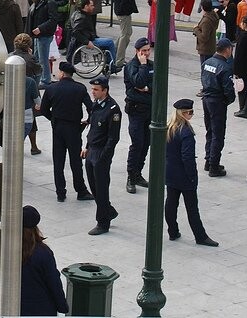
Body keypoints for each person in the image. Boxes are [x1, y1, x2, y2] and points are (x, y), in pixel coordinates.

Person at [165, 99, 219, 247]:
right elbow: (187, 157)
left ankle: (173, 231)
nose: (192, 115)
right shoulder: (186, 132)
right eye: (190, 112)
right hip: (184, 175)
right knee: (192, 208)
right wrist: (192, 176)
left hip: (170, 172)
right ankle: (200, 236)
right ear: (184, 113)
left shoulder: (169, 128)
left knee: (171, 203)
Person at [40, 62, 94, 202]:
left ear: (62, 73)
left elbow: (44, 109)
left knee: (58, 161)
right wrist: (88, 121)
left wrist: (53, 119)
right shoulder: (80, 88)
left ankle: (60, 192)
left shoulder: (51, 88)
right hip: (74, 128)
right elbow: (91, 108)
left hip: (58, 127)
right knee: (76, 161)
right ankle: (81, 190)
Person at [81, 77, 122, 236]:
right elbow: (92, 128)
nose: (93, 92)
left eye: (96, 90)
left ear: (105, 90)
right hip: (92, 150)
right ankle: (108, 210)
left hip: (101, 153)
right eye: (92, 89)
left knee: (102, 188)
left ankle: (103, 222)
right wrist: (87, 146)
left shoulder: (113, 109)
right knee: (93, 186)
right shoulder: (95, 106)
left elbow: (113, 138)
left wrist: (104, 157)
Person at [21, 205, 69, 316]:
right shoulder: (43, 253)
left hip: (16, 308)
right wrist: (62, 306)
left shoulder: (6, 248)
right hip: (41, 309)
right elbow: (53, 282)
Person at [201, 38, 236, 177]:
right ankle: (214, 166)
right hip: (217, 101)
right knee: (218, 134)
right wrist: (229, 100)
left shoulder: (207, 62)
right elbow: (228, 90)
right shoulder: (225, 67)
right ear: (227, 49)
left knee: (210, 130)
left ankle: (208, 160)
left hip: (207, 99)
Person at [124, 37, 154, 194]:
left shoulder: (152, 65)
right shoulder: (132, 66)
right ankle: (131, 176)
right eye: (144, 51)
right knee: (137, 143)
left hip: (149, 110)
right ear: (137, 51)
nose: (147, 53)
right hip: (136, 110)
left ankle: (138, 173)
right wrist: (142, 66)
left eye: (148, 50)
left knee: (146, 143)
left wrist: (147, 89)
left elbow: (156, 86)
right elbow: (139, 83)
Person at [11, 33, 43, 155]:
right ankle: (33, 146)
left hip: (13, 90)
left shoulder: (10, 56)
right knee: (31, 120)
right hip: (29, 89)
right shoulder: (31, 58)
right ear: (29, 45)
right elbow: (39, 70)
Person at [68, 0, 121, 74]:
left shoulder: (78, 14)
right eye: (91, 5)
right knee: (110, 42)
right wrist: (87, 42)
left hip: (88, 38)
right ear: (86, 6)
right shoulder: (82, 18)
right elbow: (75, 32)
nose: (93, 7)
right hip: (88, 41)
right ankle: (112, 67)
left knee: (107, 42)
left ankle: (108, 65)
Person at [26, 0, 58, 89]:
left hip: (44, 35)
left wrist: (40, 28)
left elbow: (53, 20)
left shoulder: (49, 3)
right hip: (38, 35)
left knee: (42, 59)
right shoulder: (39, 3)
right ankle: (40, 78)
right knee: (37, 57)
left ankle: (45, 80)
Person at [193, 0, 219, 97]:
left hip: (205, 48)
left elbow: (204, 37)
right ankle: (207, 87)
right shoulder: (213, 16)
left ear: (203, 7)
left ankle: (206, 88)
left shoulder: (206, 20)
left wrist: (196, 29)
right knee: (208, 69)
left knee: (205, 70)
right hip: (210, 47)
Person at [113, 0, 138, 69]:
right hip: (123, 10)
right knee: (125, 34)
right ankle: (119, 60)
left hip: (123, 10)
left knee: (127, 33)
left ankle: (114, 52)